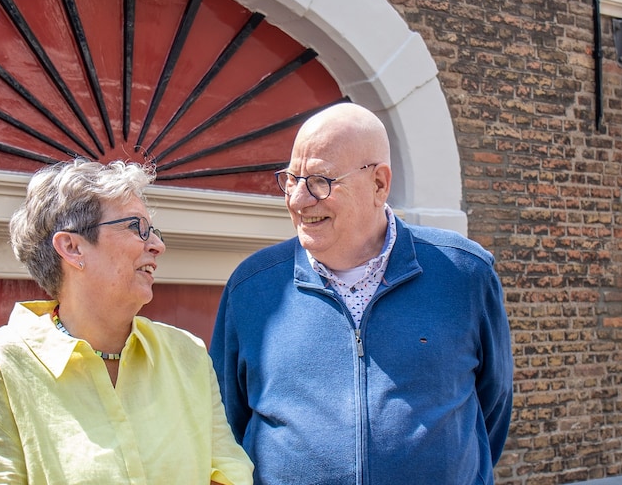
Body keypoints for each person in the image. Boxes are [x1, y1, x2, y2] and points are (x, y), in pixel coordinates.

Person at [210, 102, 513, 484]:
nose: (298, 200)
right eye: (291, 179)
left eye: (320, 181)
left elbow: (493, 406)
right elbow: (226, 423)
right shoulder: (251, 287)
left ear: (379, 184)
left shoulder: (464, 273)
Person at [0, 158, 253, 485]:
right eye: (136, 227)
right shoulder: (1, 365)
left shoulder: (186, 354)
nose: (158, 245)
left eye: (154, 231)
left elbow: (229, 474)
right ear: (73, 247)